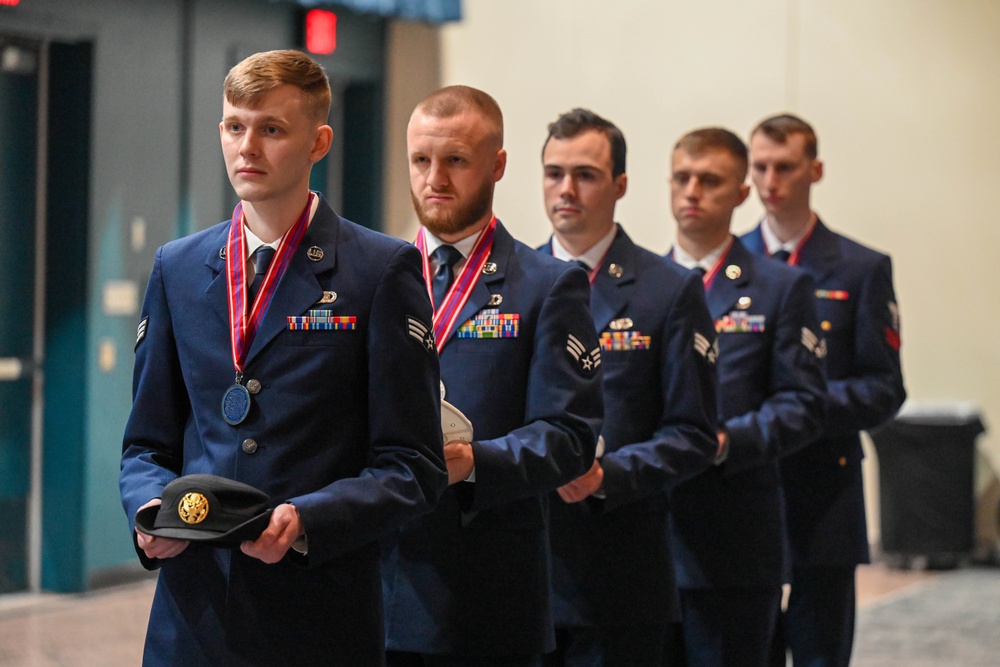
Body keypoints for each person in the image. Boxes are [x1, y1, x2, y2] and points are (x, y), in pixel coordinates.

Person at [118, 50, 447, 666]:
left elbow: (413, 465)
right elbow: (145, 443)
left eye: (271, 129)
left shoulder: (380, 270)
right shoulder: (178, 267)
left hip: (318, 616)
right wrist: (148, 506)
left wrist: (308, 519)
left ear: (318, 141)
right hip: (193, 618)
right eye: (235, 126)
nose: (248, 147)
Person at [381, 86, 603, 666]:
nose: (435, 179)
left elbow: (571, 438)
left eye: (456, 160)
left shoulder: (548, 285)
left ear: (497, 165)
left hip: (486, 596)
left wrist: (477, 462)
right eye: (421, 160)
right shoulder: (370, 275)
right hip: (374, 588)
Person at [535, 108, 718, 666]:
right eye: (553, 173)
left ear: (620, 186)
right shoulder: (509, 282)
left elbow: (693, 434)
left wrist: (607, 476)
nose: (566, 189)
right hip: (522, 570)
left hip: (617, 570)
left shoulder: (669, 291)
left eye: (585, 175)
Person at [742, 114, 906, 667]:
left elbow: (884, 389)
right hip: (744, 486)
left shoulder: (860, 269)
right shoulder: (725, 267)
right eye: (760, 166)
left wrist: (799, 409)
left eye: (784, 167)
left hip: (823, 487)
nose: (770, 181)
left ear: (815, 170)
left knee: (821, 652)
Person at [665, 127, 827, 666]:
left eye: (710, 180)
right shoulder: (643, 284)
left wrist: (726, 441)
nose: (692, 192)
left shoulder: (780, 287)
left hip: (732, 540)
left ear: (740, 192)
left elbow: (802, 405)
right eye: (682, 178)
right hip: (645, 541)